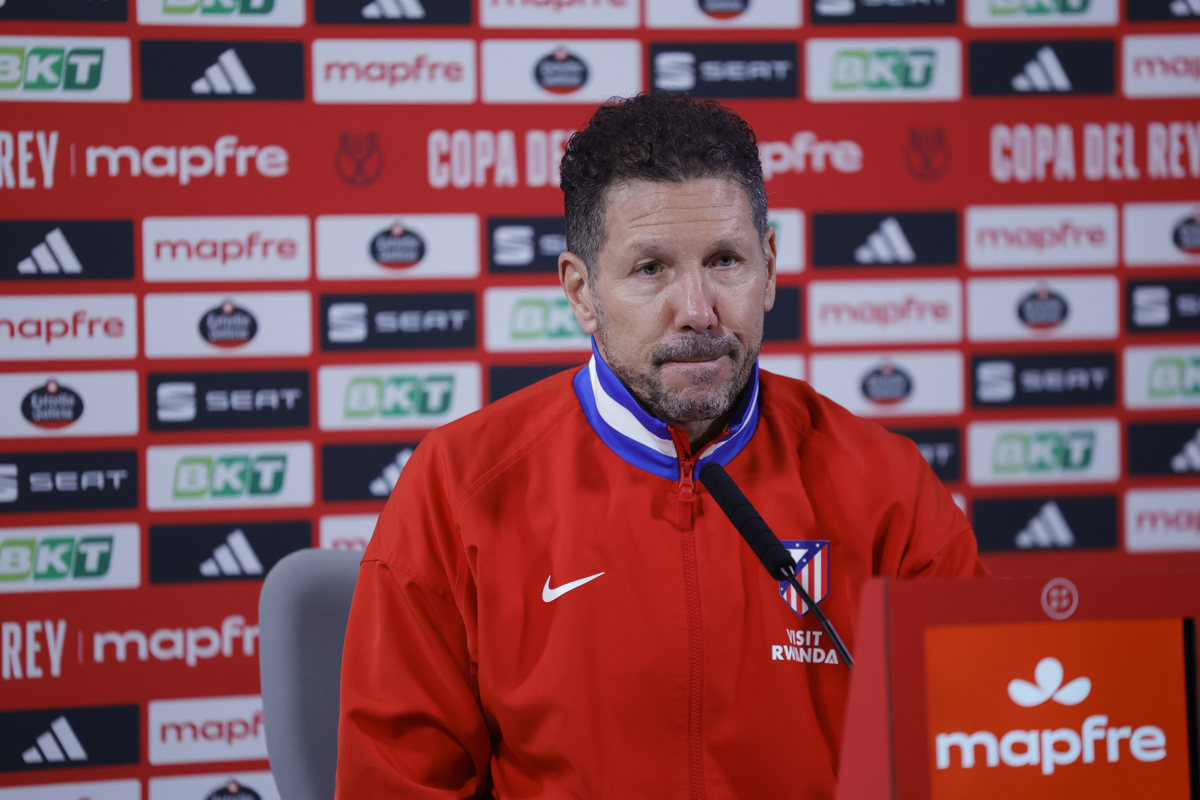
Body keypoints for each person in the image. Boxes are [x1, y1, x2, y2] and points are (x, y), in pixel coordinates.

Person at [335, 91, 987, 799]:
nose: (698, 310)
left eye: (726, 261)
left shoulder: (887, 483)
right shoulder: (460, 486)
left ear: (769, 267)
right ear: (581, 292)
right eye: (651, 270)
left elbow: (978, 751)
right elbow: (396, 783)